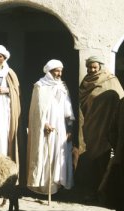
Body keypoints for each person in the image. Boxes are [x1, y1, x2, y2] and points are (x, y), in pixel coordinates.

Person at [79, 56, 124, 201]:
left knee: (104, 161)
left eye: (94, 67)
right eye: (89, 67)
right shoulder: (85, 83)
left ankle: (104, 193)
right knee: (91, 160)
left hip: (106, 129)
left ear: (100, 66)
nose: (92, 70)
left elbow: (120, 101)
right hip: (91, 127)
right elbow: (84, 104)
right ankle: (92, 191)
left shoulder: (111, 80)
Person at [26, 59, 75, 195]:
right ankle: (45, 186)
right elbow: (36, 110)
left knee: (58, 153)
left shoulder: (62, 86)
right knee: (45, 152)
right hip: (45, 126)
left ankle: (57, 185)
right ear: (49, 71)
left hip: (60, 125)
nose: (59, 74)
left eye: (61, 71)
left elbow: (68, 108)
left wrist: (69, 128)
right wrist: (44, 123)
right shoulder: (40, 86)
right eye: (56, 71)